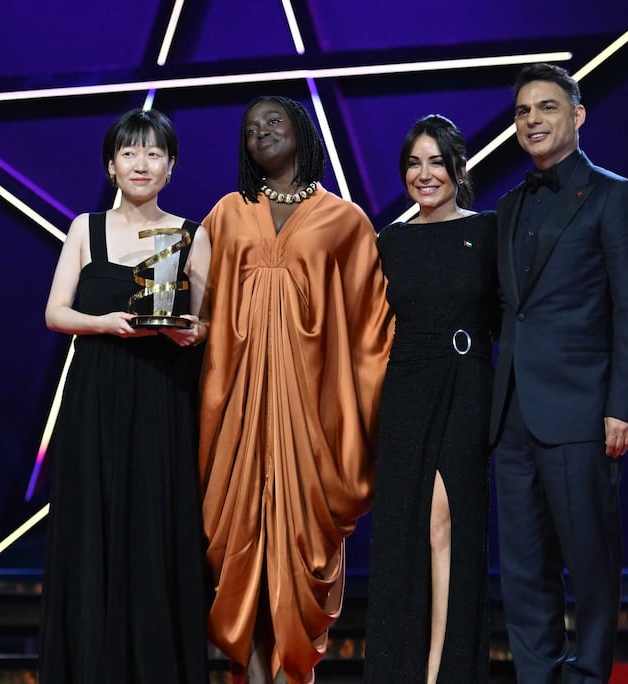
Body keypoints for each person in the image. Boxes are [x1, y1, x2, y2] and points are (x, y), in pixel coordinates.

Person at [198, 95, 393, 684]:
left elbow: (371, 328)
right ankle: (256, 673)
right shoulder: (227, 214)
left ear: (301, 131)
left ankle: (293, 675)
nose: (261, 133)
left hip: (311, 418)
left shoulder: (346, 221)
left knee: (302, 548)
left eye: (273, 121)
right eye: (250, 129)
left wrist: (364, 415)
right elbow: (198, 305)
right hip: (237, 413)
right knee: (240, 546)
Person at [490, 63, 628, 683]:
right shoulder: (508, 206)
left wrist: (624, 406)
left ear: (578, 115)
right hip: (512, 417)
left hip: (584, 413)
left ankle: (587, 676)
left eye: (547, 107)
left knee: (589, 561)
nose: (532, 120)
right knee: (523, 567)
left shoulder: (615, 197)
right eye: (522, 111)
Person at [39, 108, 210, 683]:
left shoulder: (191, 234)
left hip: (163, 397)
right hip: (95, 398)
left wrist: (191, 331)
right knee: (92, 526)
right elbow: (55, 312)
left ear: (171, 166)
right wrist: (105, 324)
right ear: (111, 166)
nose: (142, 163)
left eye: (154, 153)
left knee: (156, 530)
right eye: (130, 152)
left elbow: (206, 323)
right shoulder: (84, 229)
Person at [363, 114, 498, 684]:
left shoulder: (488, 231)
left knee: (447, 523)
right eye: (414, 164)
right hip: (406, 390)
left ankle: (445, 672)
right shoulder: (390, 241)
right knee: (407, 530)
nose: (425, 174)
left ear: (457, 168)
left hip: (466, 384)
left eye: (436, 162)